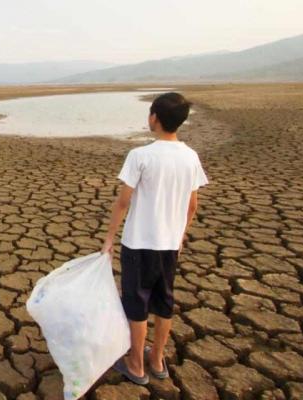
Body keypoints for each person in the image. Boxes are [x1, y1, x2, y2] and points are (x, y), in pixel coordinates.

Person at [101, 92, 208, 385]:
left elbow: (123, 202)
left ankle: (136, 365)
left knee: (136, 304)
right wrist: (181, 235)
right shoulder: (190, 157)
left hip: (138, 244)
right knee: (164, 302)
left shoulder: (140, 156)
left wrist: (109, 238)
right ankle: (158, 360)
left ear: (154, 118)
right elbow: (193, 204)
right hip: (169, 246)